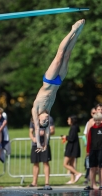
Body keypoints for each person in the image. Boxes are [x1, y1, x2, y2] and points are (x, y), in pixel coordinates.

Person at [31, 19, 85, 152]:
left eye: (44, 121)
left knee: (60, 55)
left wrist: (38, 143)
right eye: (46, 122)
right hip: (59, 81)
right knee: (67, 56)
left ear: (38, 118)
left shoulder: (36, 110)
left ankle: (72, 29)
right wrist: (45, 144)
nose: (46, 120)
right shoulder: (48, 111)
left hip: (49, 81)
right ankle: (77, 33)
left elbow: (38, 129)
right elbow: (47, 130)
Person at [84, 112, 102, 190]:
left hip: (100, 149)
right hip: (92, 149)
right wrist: (88, 151)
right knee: (92, 167)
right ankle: (92, 184)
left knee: (101, 167)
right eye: (96, 120)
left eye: (99, 120)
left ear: (101, 120)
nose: (97, 122)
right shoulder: (91, 129)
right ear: (94, 120)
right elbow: (89, 141)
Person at [29, 116, 55, 190]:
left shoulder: (49, 118)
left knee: (45, 162)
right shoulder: (33, 117)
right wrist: (33, 138)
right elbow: (30, 131)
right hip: (36, 144)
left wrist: (44, 132)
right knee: (35, 163)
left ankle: (47, 183)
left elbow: (53, 131)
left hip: (44, 144)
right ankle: (34, 182)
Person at [61, 115, 82, 184]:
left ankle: (77, 173)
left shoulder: (73, 128)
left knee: (65, 164)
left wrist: (65, 137)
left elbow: (71, 138)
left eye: (69, 119)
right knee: (71, 164)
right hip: (74, 147)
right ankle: (72, 179)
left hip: (71, 148)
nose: (67, 121)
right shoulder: (75, 127)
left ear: (72, 120)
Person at [83, 107, 96, 185]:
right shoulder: (89, 122)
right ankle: (88, 178)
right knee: (89, 162)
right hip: (91, 145)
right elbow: (86, 134)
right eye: (93, 113)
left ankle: (94, 179)